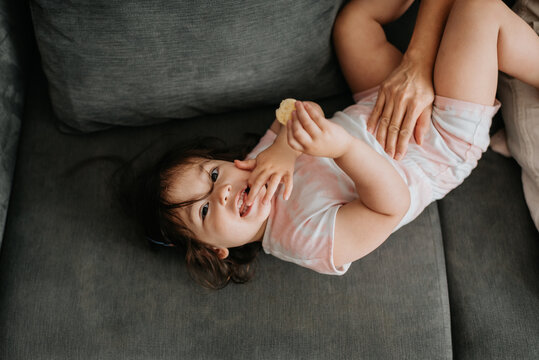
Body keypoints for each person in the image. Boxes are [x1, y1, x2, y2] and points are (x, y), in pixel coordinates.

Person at [132, 0, 539, 289]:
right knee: (478, 11)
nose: (222, 192)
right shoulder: (303, 240)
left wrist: (284, 149)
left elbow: (295, 109)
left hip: (378, 105)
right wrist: (342, 149)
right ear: (216, 251)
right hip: (436, 140)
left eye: (213, 174)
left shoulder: (257, 165)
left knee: (352, 24)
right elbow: (389, 205)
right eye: (204, 210)